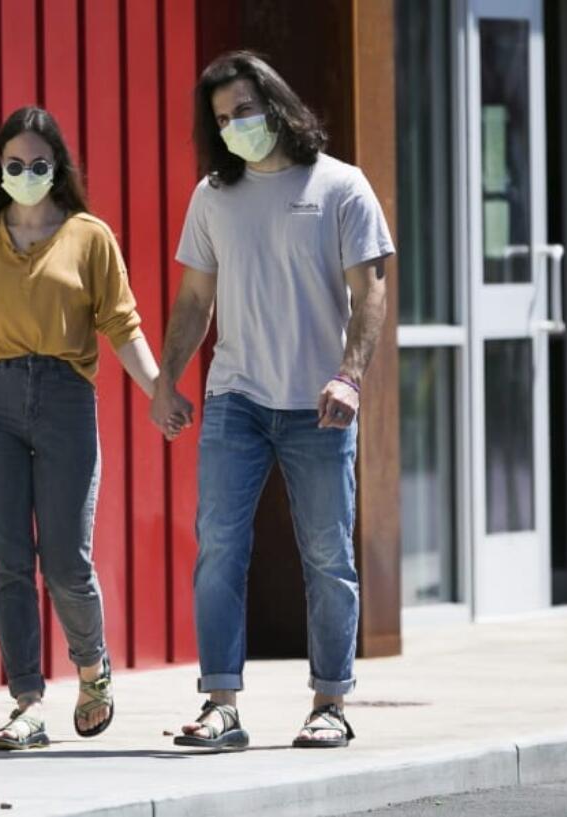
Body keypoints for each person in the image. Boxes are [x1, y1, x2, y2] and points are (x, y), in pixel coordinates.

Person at [151, 52, 395, 750]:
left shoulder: (340, 185)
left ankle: (330, 701)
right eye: (222, 119)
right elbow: (195, 299)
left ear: (278, 106)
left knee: (326, 555)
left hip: (319, 406)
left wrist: (350, 374)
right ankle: (221, 703)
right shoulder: (212, 196)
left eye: (244, 112)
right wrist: (169, 379)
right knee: (220, 547)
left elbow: (370, 290)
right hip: (237, 397)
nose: (234, 127)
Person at [0, 106, 166, 750]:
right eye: (14, 165)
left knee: (65, 561)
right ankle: (27, 703)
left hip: (65, 399)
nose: (26, 174)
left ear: (57, 169)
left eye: (38, 164)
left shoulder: (89, 237)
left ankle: (92, 669)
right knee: (7, 562)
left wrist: (159, 390)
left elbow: (122, 322)